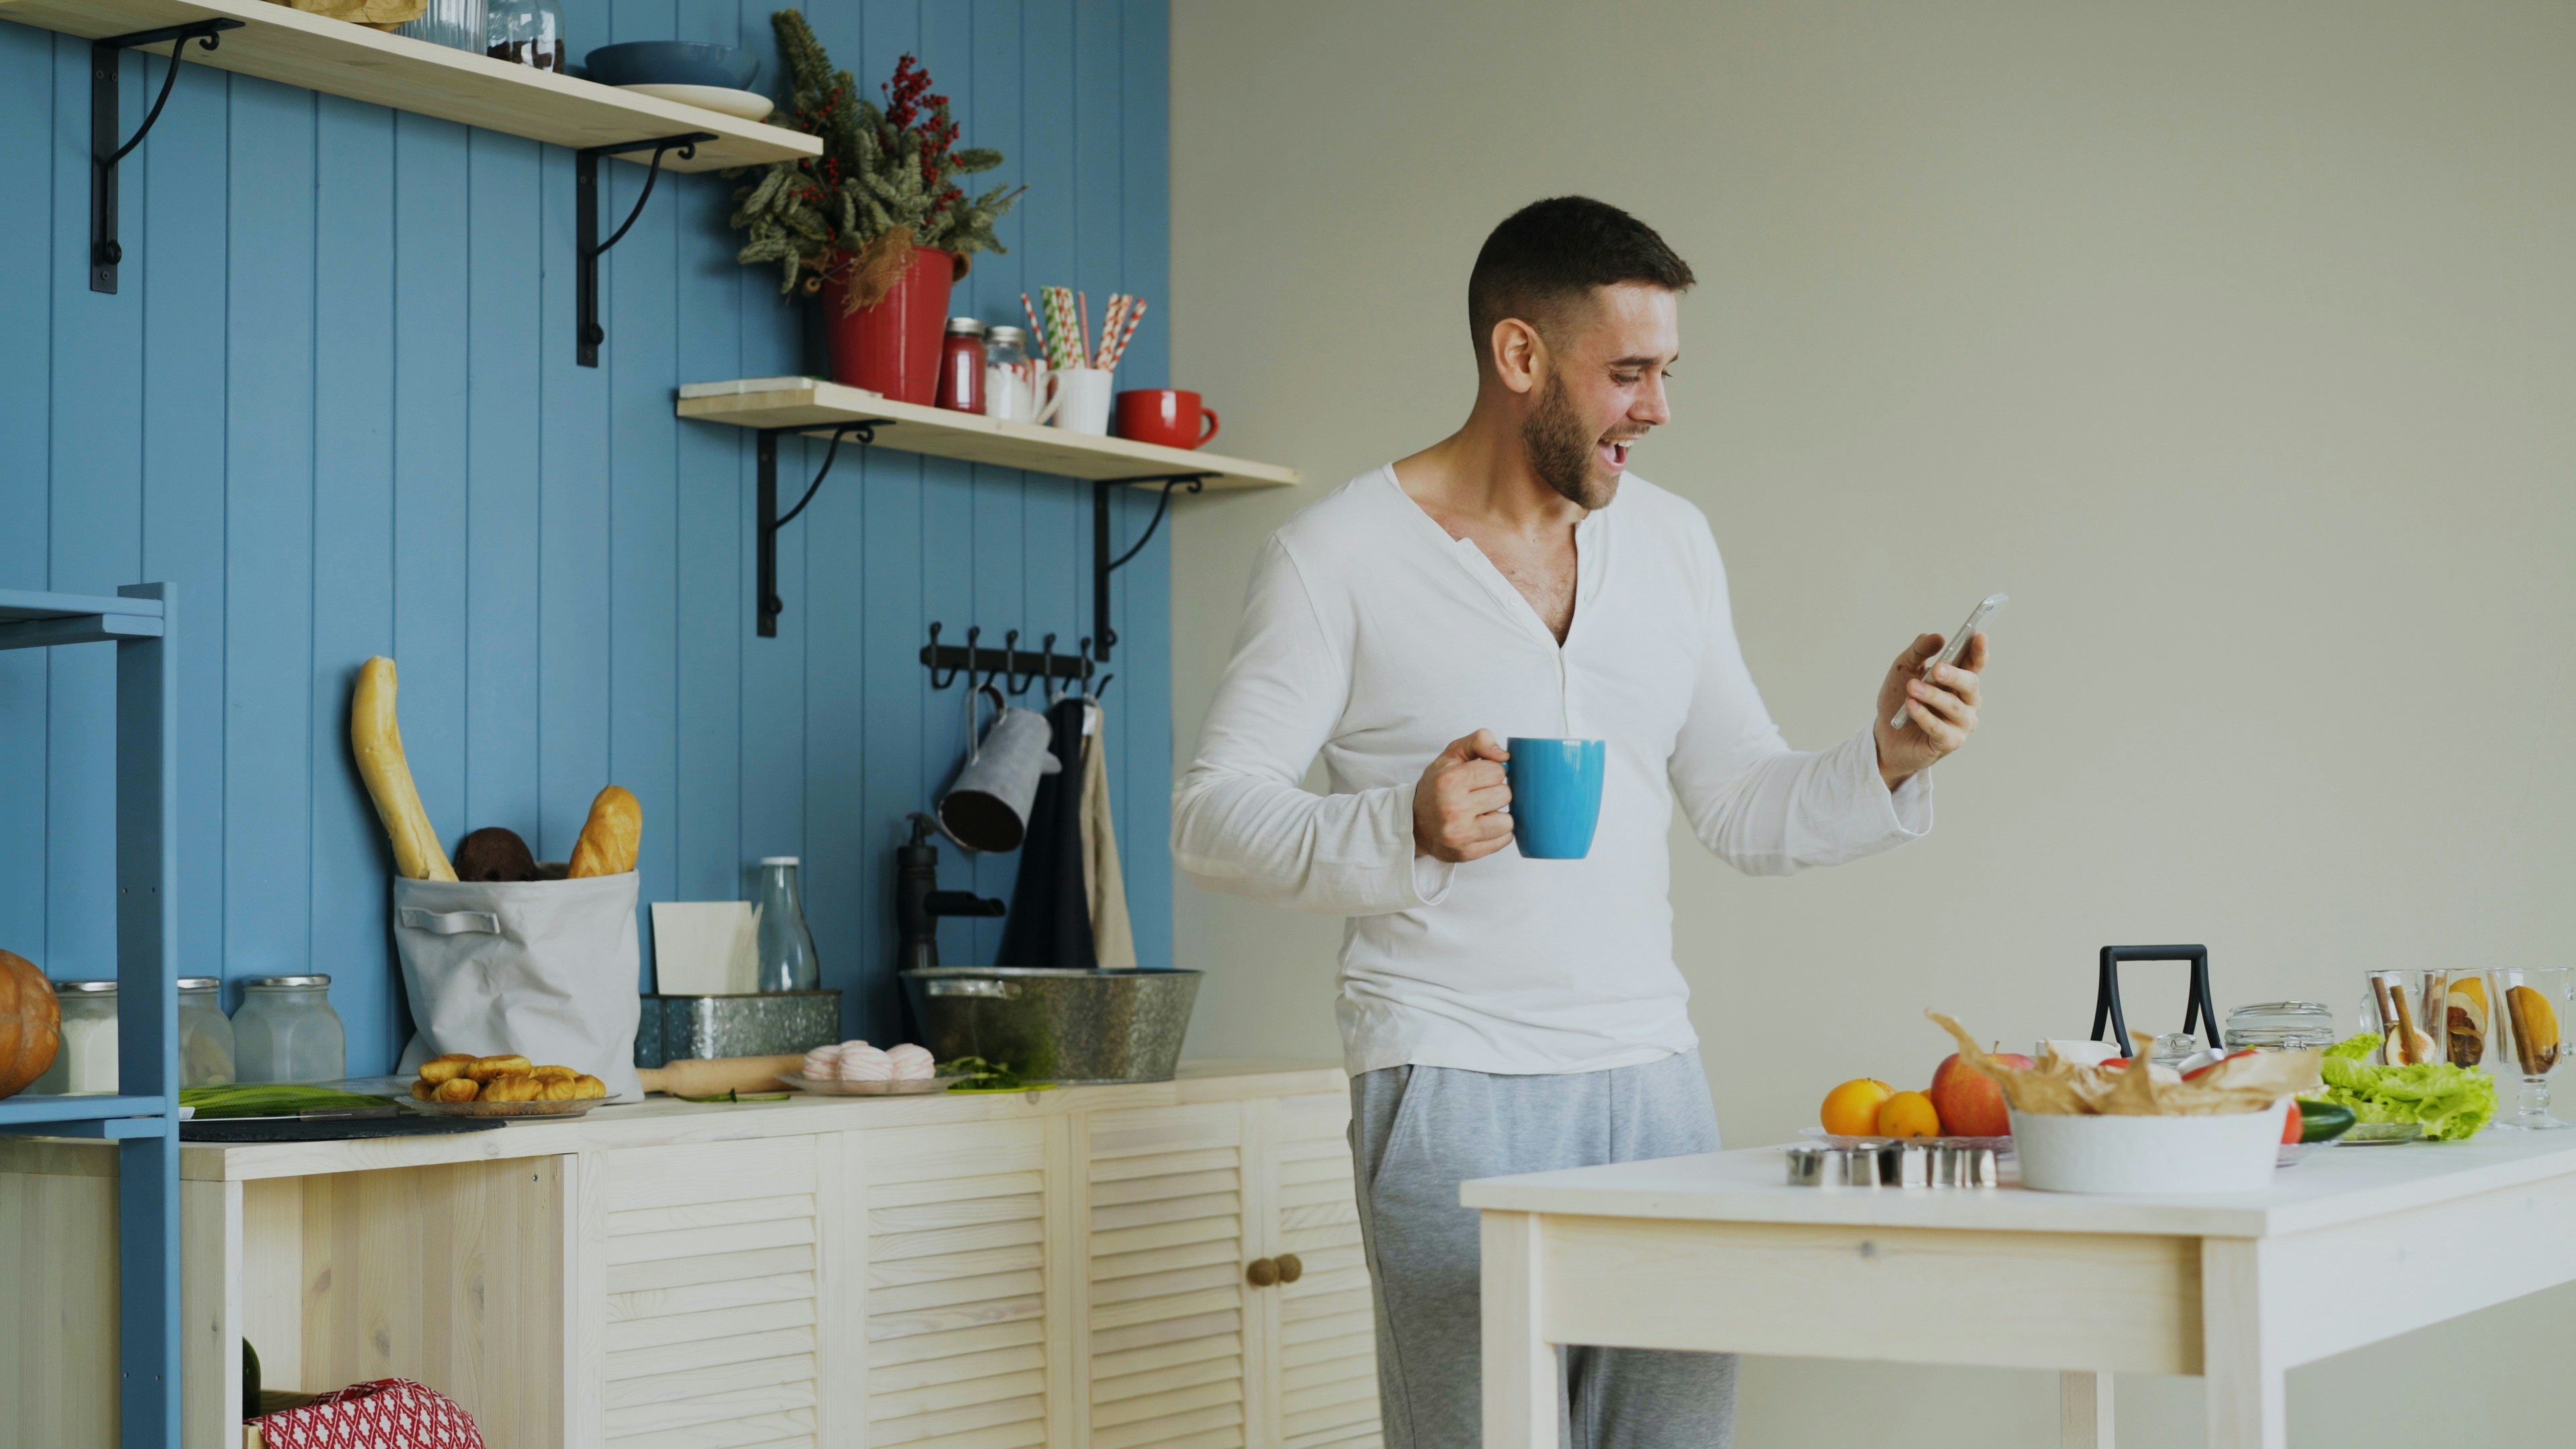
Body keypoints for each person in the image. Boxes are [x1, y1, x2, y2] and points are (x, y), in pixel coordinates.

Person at [1171, 196, 1990, 1449]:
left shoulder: (1671, 544)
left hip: (1653, 1086)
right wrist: (1405, 827)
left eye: (1666, 371)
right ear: (1519, 357)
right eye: (1629, 373)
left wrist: (1887, 756)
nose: (1658, 408)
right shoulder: (1332, 556)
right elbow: (1212, 819)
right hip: (1449, 1082)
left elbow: (1739, 801)